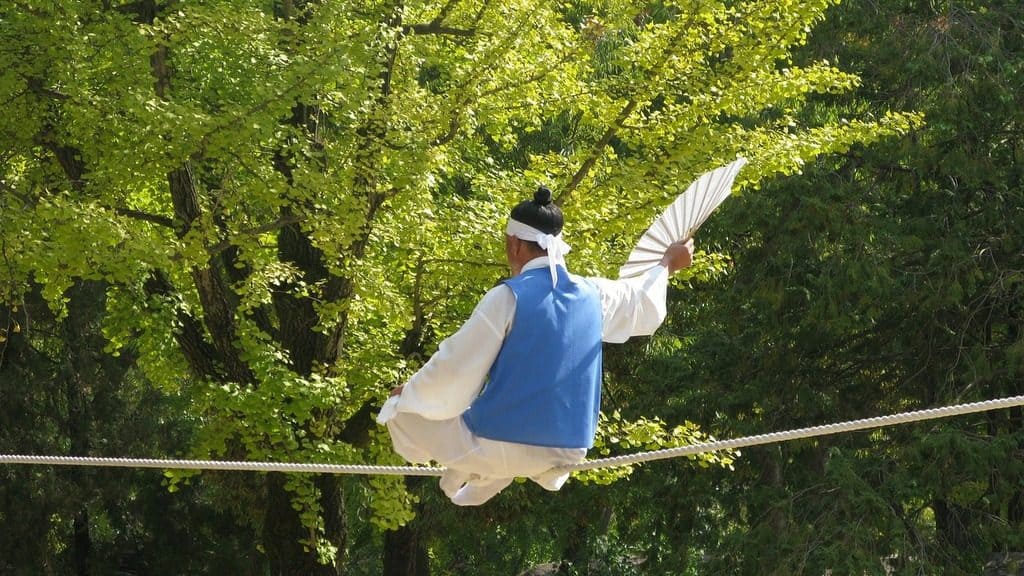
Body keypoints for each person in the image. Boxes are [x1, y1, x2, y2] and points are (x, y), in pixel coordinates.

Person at [376, 185, 694, 505]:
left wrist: (409, 393)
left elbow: (455, 369)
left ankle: (476, 467)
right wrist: (667, 262)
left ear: (514, 245)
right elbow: (641, 305)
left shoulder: (507, 297)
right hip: (567, 451)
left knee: (400, 413)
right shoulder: (595, 295)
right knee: (489, 435)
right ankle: (483, 471)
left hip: (499, 444)